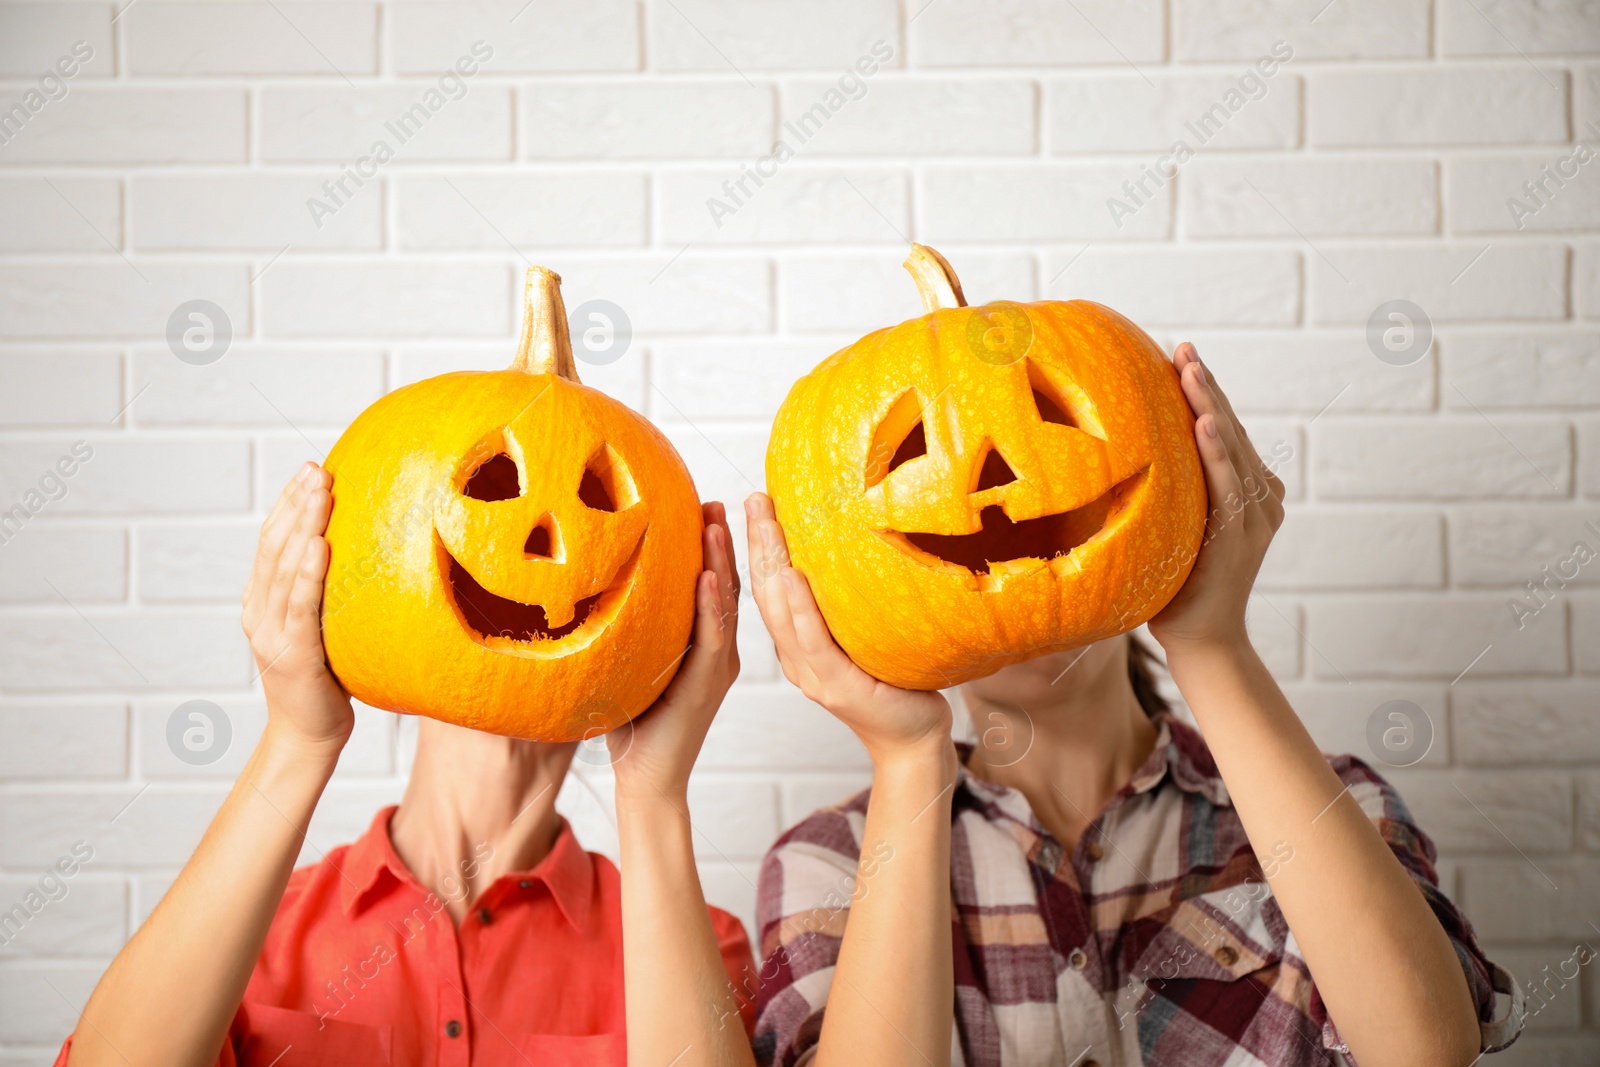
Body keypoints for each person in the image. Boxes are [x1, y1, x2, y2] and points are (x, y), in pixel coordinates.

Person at [743, 343, 1524, 1067]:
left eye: (1051, 413)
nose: (995, 484)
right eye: (915, 449)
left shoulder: (1334, 804)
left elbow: (1425, 1046)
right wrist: (908, 756)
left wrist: (1211, 643)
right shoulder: (831, 861)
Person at [59, 463, 759, 1067]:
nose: (546, 543)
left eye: (594, 502)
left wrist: (653, 788)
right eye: (493, 494)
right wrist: (297, 741)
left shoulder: (696, 939)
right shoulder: (254, 928)